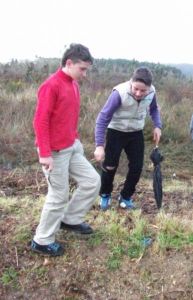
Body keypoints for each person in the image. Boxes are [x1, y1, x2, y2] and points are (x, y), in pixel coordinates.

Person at [31, 44, 101, 256]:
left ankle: (70, 220)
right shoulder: (51, 85)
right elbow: (40, 121)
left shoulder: (73, 84)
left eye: (87, 69)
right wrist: (44, 153)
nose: (85, 74)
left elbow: (68, 117)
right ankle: (41, 240)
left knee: (92, 181)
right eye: (82, 69)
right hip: (54, 152)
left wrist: (75, 139)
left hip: (71, 147)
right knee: (58, 195)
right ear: (69, 63)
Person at [94, 67, 162, 210]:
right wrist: (99, 145)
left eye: (143, 91)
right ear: (131, 82)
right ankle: (105, 195)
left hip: (136, 132)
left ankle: (125, 197)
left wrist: (157, 125)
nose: (138, 93)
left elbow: (154, 109)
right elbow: (102, 118)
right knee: (110, 166)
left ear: (149, 89)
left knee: (137, 167)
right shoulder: (119, 93)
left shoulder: (152, 92)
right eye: (136, 88)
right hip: (116, 131)